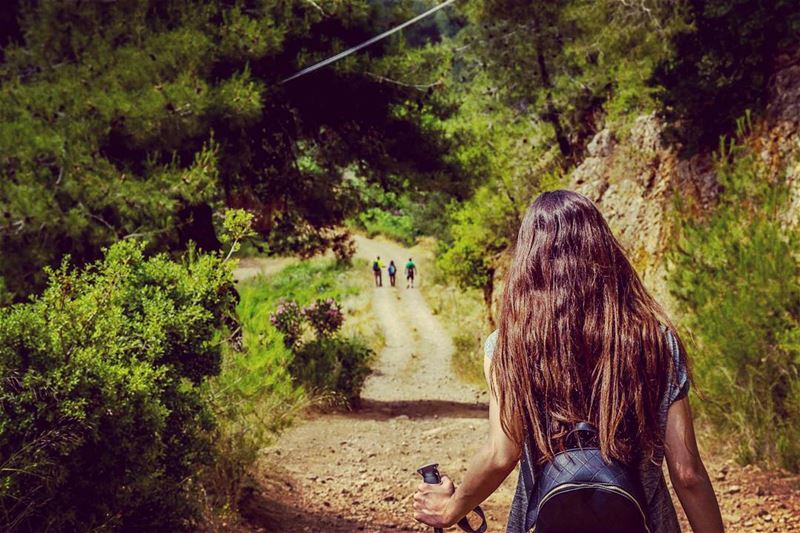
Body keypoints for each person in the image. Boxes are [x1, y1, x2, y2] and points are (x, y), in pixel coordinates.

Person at [412, 191, 723, 533]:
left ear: (529, 259)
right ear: (604, 251)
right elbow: (688, 472)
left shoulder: (508, 346)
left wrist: (450, 509)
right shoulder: (656, 342)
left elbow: (502, 453)